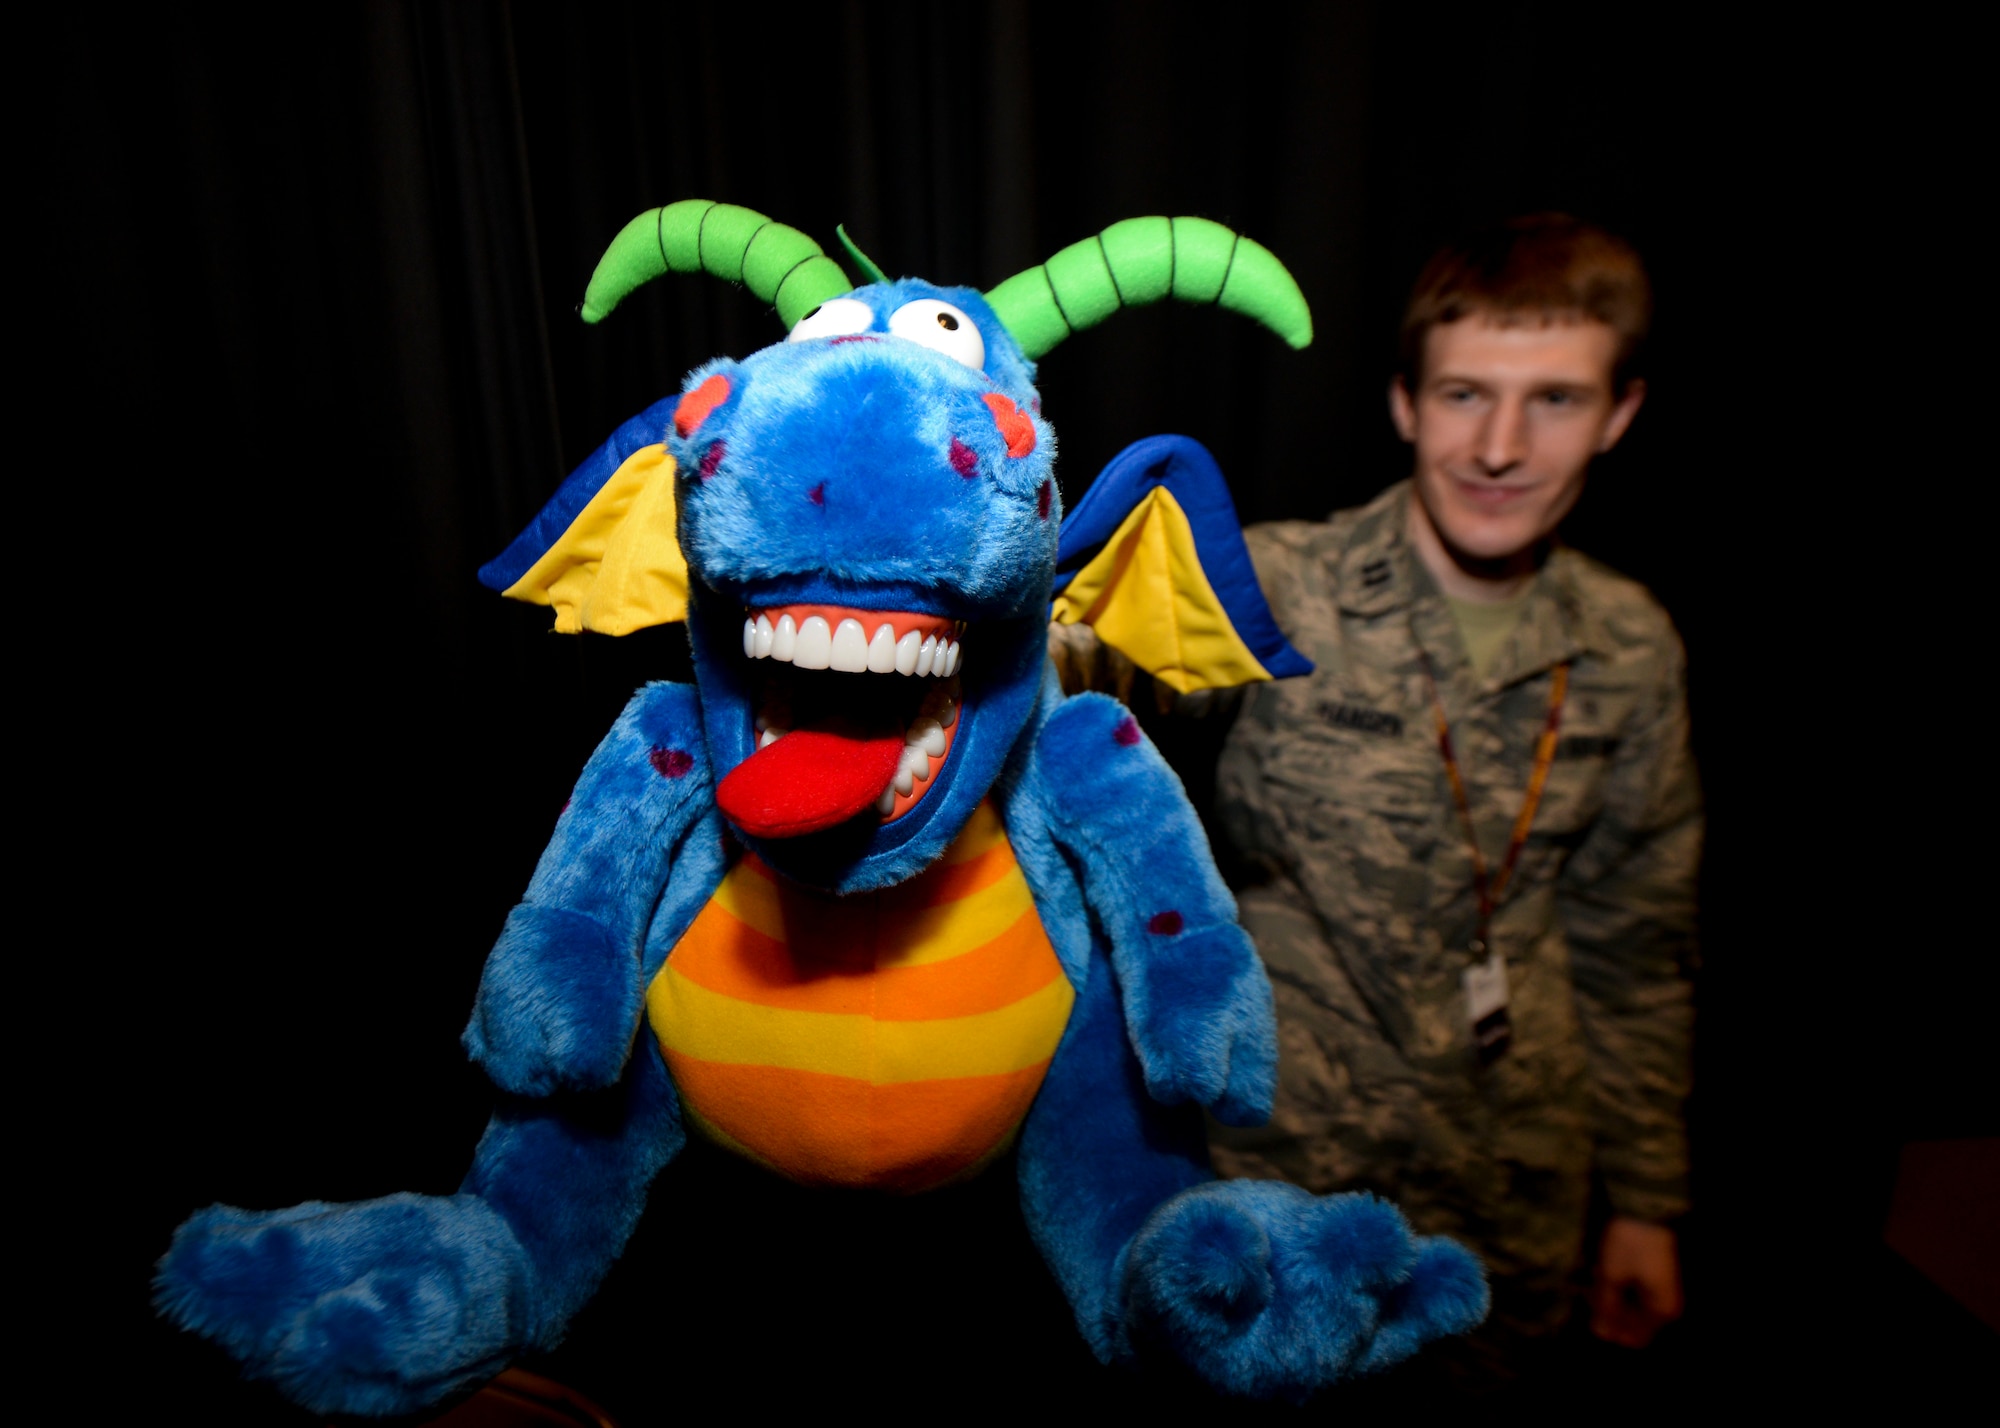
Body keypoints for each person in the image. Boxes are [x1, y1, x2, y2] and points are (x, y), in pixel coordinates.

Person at [1054, 213, 1698, 1377]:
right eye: (1463, 395)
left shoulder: (1627, 644)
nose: (1497, 445)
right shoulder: (1278, 581)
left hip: (1516, 1186)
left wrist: (1646, 1201)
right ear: (1405, 402)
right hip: (1282, 1171)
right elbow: (1096, 653)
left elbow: (1635, 943)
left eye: (1552, 398)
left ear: (1618, 414)